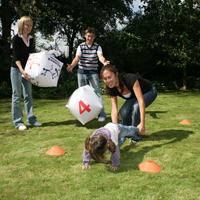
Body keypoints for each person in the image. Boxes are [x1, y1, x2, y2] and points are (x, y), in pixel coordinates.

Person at [100, 64, 157, 144]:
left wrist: (142, 124)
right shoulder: (110, 88)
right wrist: (115, 128)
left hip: (150, 91)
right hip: (134, 96)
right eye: (105, 79)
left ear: (116, 74)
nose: (108, 81)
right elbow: (114, 108)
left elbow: (141, 101)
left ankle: (136, 136)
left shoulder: (130, 79)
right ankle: (127, 132)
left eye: (110, 77)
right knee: (123, 111)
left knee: (136, 106)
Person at [67, 27, 110, 122]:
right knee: (81, 95)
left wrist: (104, 62)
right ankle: (85, 114)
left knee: (97, 93)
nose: (90, 38)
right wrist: (72, 66)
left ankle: (101, 114)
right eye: (88, 36)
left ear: (94, 37)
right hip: (82, 72)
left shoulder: (97, 47)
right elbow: (77, 58)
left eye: (92, 36)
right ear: (85, 36)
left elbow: (100, 56)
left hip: (93, 72)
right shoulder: (81, 46)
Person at [10, 16, 42, 130]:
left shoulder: (31, 39)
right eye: (26, 24)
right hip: (17, 70)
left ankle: (31, 119)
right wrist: (22, 71)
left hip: (28, 71)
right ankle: (18, 122)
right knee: (17, 96)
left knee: (28, 95)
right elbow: (16, 57)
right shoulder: (16, 39)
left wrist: (31, 70)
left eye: (30, 25)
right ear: (22, 25)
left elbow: (31, 56)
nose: (28, 27)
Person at [82, 122, 149, 171]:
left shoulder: (112, 140)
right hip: (111, 133)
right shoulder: (92, 140)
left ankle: (139, 130)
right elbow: (87, 150)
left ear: (107, 145)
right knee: (117, 143)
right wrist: (86, 163)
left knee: (129, 131)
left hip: (117, 128)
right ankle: (122, 139)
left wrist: (115, 164)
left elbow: (115, 152)